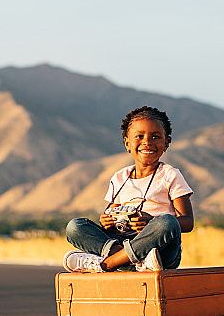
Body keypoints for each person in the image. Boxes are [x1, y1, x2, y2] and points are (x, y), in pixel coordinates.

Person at [63, 106, 194, 272]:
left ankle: (107, 264)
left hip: (158, 252)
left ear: (166, 143)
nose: (147, 142)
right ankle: (129, 261)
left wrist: (151, 221)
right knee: (75, 227)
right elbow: (110, 214)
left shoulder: (170, 175)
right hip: (121, 241)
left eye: (155, 137)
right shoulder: (119, 177)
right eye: (139, 136)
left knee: (167, 222)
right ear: (127, 143)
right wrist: (106, 222)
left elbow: (188, 222)